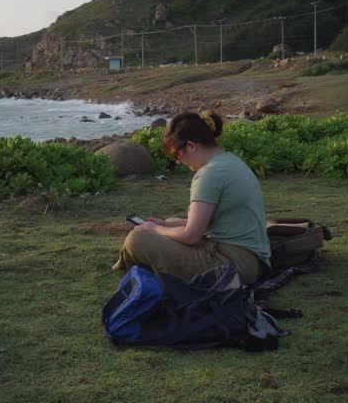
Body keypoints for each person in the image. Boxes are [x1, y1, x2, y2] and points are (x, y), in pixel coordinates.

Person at [113, 112, 271, 283]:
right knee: (170, 222)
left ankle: (129, 268)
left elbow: (191, 236)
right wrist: (164, 224)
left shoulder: (209, 174)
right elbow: (210, 221)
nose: (179, 161)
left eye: (177, 155)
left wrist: (154, 229)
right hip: (253, 260)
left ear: (191, 146)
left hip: (232, 266)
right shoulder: (231, 161)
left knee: (138, 239)